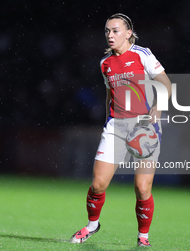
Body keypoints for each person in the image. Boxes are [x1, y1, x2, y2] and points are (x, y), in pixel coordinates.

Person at [70, 13, 172, 247]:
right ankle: (92, 225)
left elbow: (165, 84)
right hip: (116, 126)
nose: (110, 35)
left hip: (145, 127)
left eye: (115, 30)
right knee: (98, 184)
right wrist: (107, 123)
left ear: (128, 33)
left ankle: (143, 238)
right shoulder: (105, 63)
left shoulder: (142, 54)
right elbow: (109, 95)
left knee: (142, 188)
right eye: (107, 31)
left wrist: (157, 109)